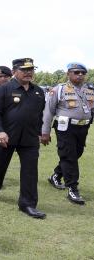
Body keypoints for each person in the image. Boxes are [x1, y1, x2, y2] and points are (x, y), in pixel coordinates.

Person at [0, 58, 46, 219]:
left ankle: (28, 204)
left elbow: (39, 115)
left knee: (30, 171)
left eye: (31, 69)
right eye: (24, 69)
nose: (28, 72)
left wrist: (40, 131)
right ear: (14, 72)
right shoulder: (4, 89)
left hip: (30, 138)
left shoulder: (39, 91)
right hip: (6, 136)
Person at [41, 62, 93, 205]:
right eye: (76, 72)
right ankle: (73, 189)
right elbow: (49, 111)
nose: (80, 75)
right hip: (65, 128)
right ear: (68, 74)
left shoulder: (89, 90)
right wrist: (45, 131)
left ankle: (56, 175)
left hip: (83, 128)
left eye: (82, 73)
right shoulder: (59, 89)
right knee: (69, 156)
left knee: (76, 154)